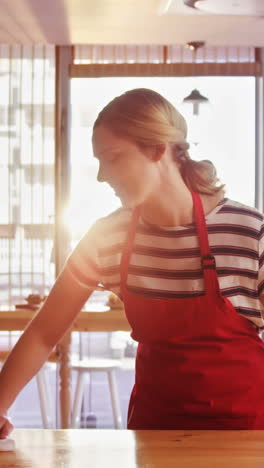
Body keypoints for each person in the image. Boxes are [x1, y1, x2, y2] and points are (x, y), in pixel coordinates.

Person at [0, 88, 264, 435]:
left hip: (247, 436)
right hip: (154, 433)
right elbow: (44, 332)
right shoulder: (107, 239)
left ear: (158, 149)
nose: (101, 176)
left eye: (111, 157)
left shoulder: (248, 233)